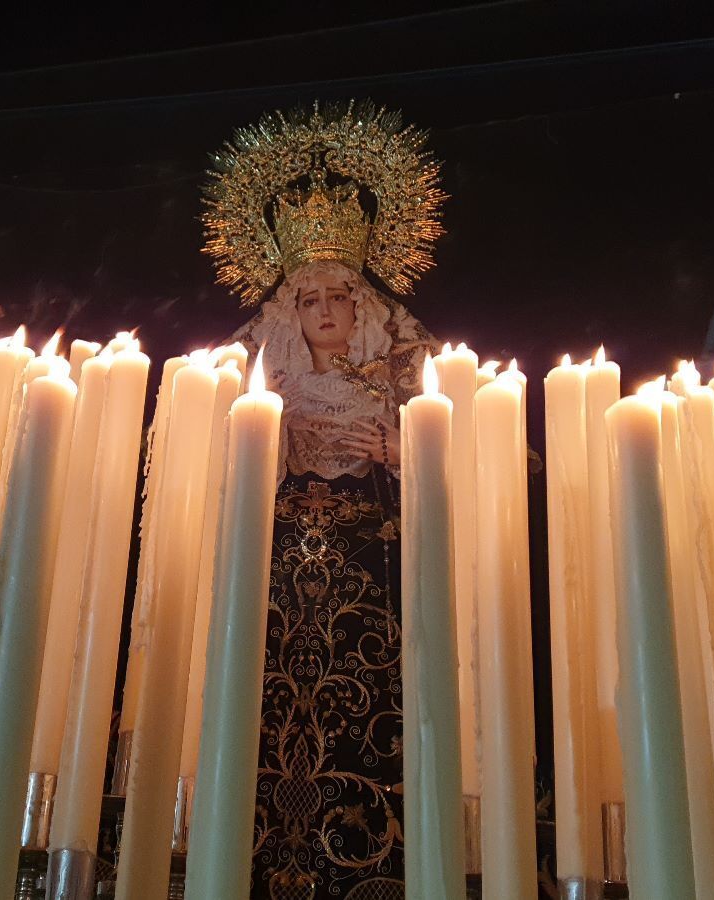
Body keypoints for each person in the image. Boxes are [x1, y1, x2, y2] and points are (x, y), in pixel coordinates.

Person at [207, 100, 447, 900]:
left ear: (363, 304)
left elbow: (485, 465)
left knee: (375, 715)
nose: (326, 312)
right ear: (290, 310)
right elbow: (196, 463)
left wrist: (399, 449)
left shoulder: (410, 373)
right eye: (309, 300)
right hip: (276, 572)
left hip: (377, 569)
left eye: (338, 297)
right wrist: (264, 436)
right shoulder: (257, 378)